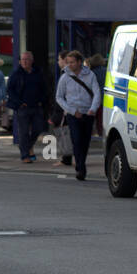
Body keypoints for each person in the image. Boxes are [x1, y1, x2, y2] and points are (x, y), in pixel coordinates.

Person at [56, 50, 102, 181]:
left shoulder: (90, 75)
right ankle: (81, 168)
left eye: (72, 62)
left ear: (79, 62)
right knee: (76, 140)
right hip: (73, 114)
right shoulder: (65, 77)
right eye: (68, 62)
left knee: (85, 141)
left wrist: (93, 109)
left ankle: (81, 163)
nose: (69, 65)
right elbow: (59, 97)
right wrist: (71, 110)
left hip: (88, 112)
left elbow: (97, 93)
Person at [7, 51, 49, 164]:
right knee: (24, 131)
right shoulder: (16, 74)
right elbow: (10, 90)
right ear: (20, 61)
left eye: (27, 59)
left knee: (38, 128)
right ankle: (25, 155)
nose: (25, 62)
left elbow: (45, 88)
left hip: (37, 106)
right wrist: (19, 103)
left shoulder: (38, 73)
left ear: (32, 61)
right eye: (23, 60)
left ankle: (28, 146)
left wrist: (41, 100)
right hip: (22, 108)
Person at [88, 53, 107, 137]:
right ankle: (101, 134)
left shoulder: (91, 73)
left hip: (94, 99)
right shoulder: (106, 71)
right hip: (105, 98)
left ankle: (92, 133)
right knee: (101, 119)